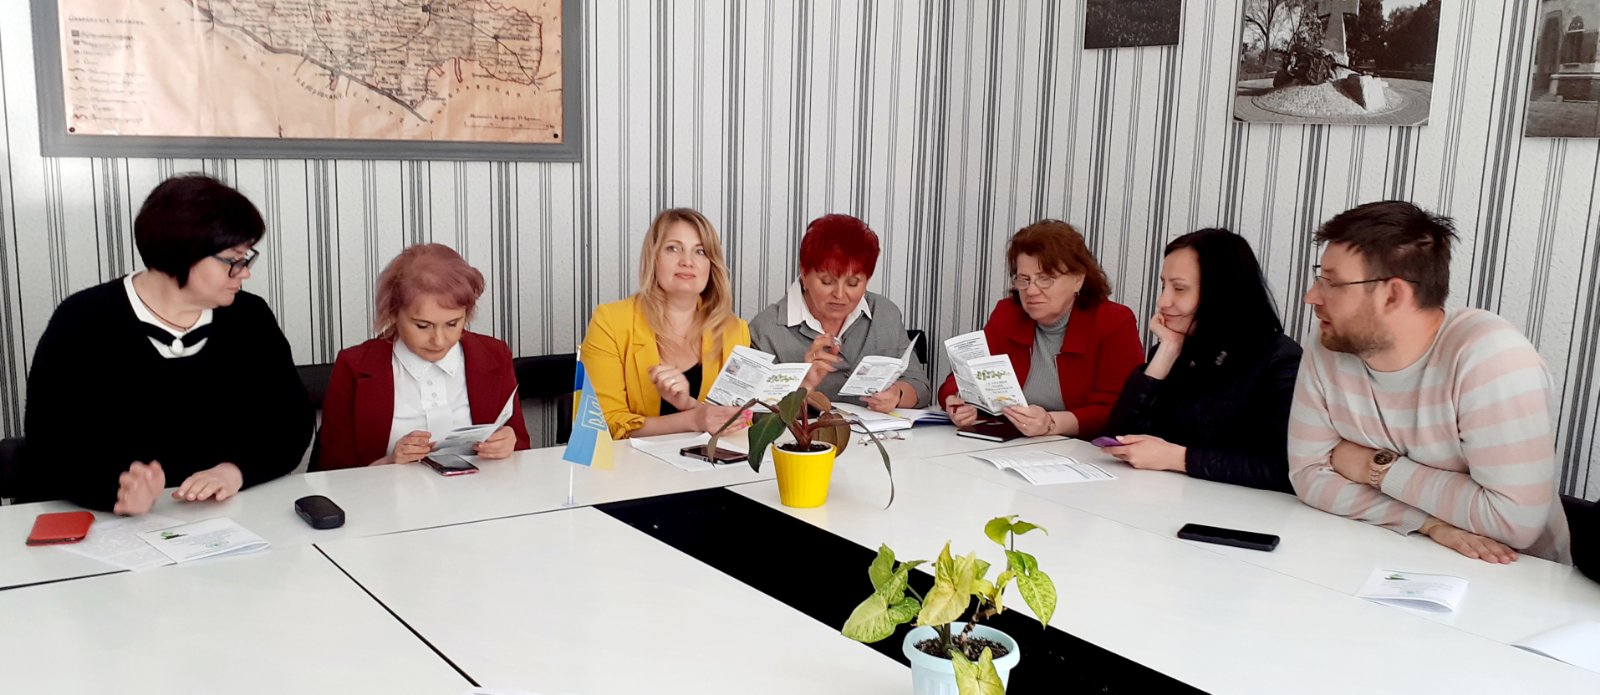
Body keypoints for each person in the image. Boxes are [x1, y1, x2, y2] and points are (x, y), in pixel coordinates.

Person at [1289, 201, 1571, 563]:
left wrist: (1372, 466)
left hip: (1513, 575)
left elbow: (1512, 524)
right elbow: (1308, 475)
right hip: (1384, 556)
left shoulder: (1492, 358)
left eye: (1332, 282)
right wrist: (1429, 523)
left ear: (1393, 295)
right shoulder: (1330, 342)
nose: (1311, 296)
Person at [19, 174, 312, 514]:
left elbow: (291, 424)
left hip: (227, 517)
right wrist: (116, 494)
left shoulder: (250, 318)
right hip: (103, 522)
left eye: (247, 257)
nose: (244, 272)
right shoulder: (82, 320)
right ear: (183, 253)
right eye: (233, 259)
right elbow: (49, 444)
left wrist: (234, 471)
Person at [1103, 229, 1301, 492]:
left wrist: (1179, 459)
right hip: (1162, 498)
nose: (1162, 302)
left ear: (1222, 293)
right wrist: (1167, 351)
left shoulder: (1279, 360)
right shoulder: (1179, 348)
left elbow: (1282, 469)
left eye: (1179, 288)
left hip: (1237, 508)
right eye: (1163, 286)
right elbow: (1118, 438)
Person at [314, 244, 531, 471]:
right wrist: (388, 463)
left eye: (452, 324)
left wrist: (509, 443)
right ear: (393, 313)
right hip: (389, 493)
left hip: (481, 491)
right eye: (422, 326)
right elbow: (331, 472)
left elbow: (522, 447)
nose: (439, 340)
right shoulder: (354, 366)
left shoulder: (494, 355)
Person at [938, 220, 1143, 439]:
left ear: (1078, 280)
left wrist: (1052, 423)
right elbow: (964, 377)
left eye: (1045, 279)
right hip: (1013, 444)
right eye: (1024, 280)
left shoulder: (1113, 322)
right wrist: (955, 401)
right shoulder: (1007, 314)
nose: (1031, 291)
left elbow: (1119, 410)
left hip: (1083, 448)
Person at [581, 208, 750, 439]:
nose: (687, 261)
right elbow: (602, 424)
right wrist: (692, 419)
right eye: (673, 248)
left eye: (700, 251)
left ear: (711, 265)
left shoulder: (735, 331)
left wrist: (688, 404)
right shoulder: (610, 322)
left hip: (709, 462)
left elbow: (738, 422)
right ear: (654, 258)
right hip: (629, 462)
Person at [748, 214, 929, 412]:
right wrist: (805, 385)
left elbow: (920, 386)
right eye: (827, 281)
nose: (840, 295)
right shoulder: (766, 330)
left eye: (853, 283)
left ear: (867, 280)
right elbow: (755, 415)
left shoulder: (885, 314)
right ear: (804, 274)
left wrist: (897, 394)